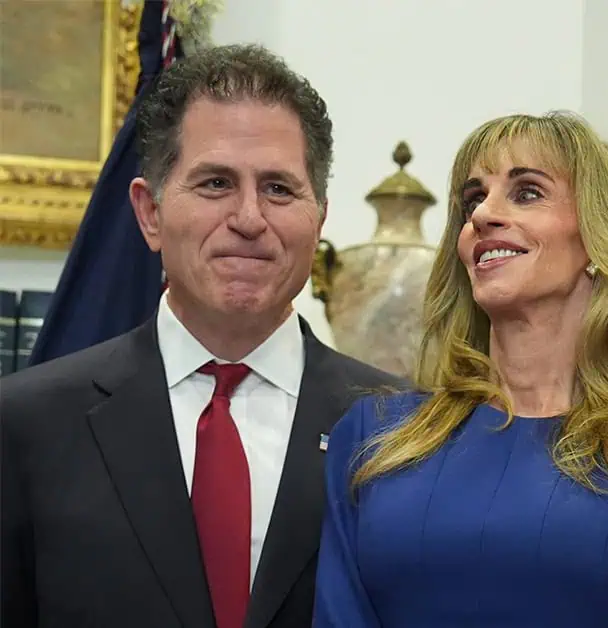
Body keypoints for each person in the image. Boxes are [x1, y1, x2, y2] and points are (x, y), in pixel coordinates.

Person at [0, 44, 401, 628]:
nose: (249, 218)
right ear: (150, 213)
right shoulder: (25, 425)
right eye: (215, 183)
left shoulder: (398, 431)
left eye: (279, 189)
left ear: (318, 218)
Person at [313, 111, 608, 627]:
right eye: (473, 199)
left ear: (599, 237)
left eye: (527, 192)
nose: (483, 215)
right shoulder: (372, 436)